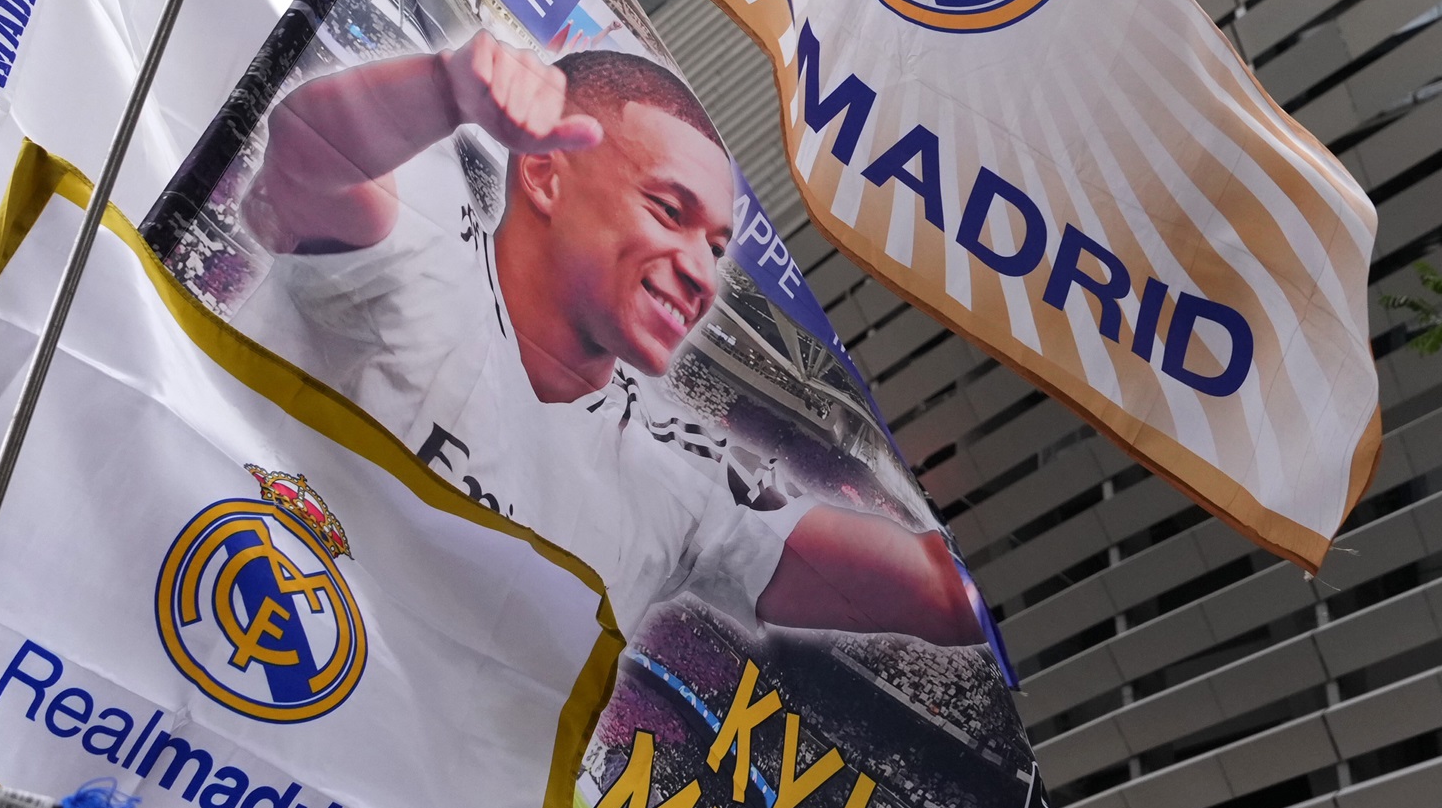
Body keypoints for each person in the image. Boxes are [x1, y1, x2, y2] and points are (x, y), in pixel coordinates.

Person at [249, 36, 982, 647]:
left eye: (716, 246)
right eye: (668, 210)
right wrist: (445, 89)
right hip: (210, 741)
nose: (700, 271)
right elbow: (307, 151)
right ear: (542, 173)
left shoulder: (675, 474)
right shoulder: (428, 251)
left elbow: (942, 599)